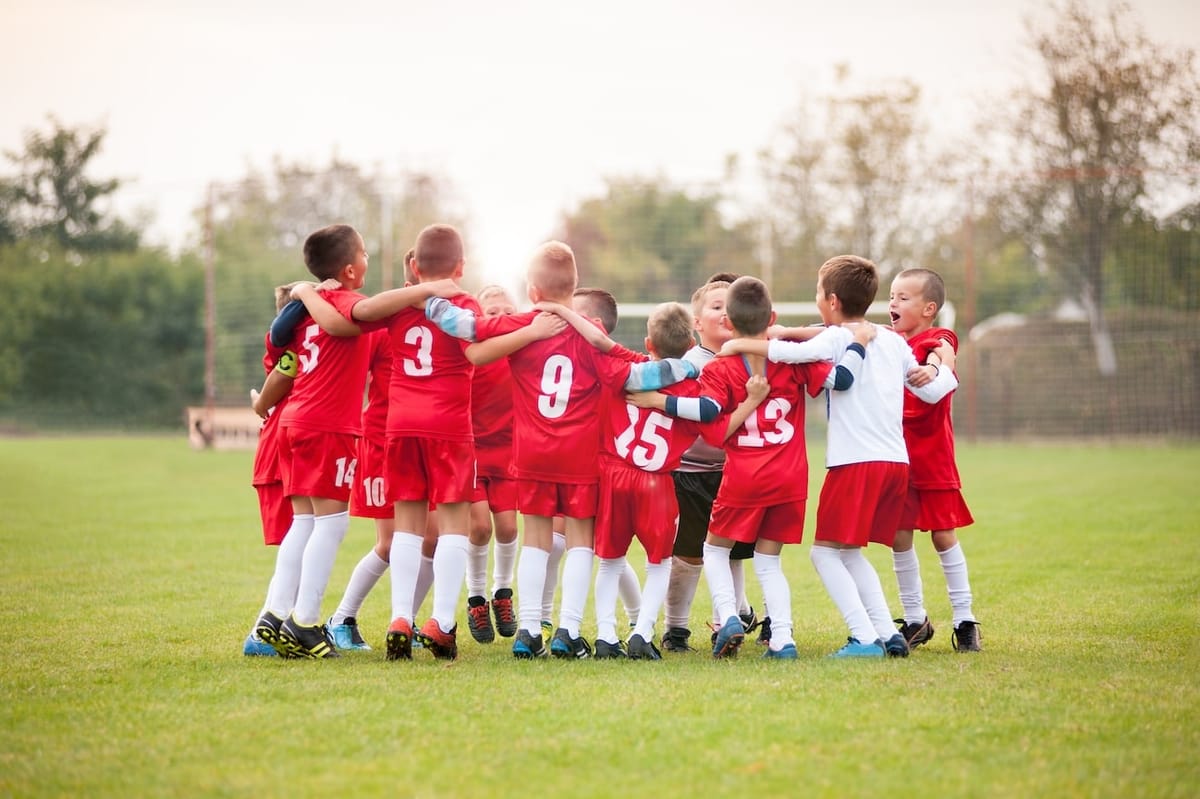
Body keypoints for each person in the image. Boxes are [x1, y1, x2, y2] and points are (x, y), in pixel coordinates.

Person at [424, 241, 698, 659]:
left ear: (532, 289)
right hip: (580, 455)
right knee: (579, 540)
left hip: (531, 451)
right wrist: (688, 366)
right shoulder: (592, 335)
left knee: (534, 538)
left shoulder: (521, 323)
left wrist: (429, 300)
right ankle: (568, 629)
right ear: (574, 288)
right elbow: (631, 376)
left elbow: (467, 327)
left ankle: (529, 631)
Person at [725, 255, 958, 658]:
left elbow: (786, 355)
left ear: (831, 300)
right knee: (849, 552)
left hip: (856, 463)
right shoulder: (893, 340)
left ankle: (863, 638)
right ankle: (889, 634)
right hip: (896, 464)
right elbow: (934, 392)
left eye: (818, 293)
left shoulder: (838, 338)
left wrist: (736, 343)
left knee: (824, 553)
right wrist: (942, 371)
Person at [253, 224, 463, 659]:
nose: (369, 259)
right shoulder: (341, 302)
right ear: (350, 269)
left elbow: (281, 351)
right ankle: (305, 622)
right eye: (365, 253)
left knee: (305, 524)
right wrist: (424, 291)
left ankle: (273, 616)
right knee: (331, 524)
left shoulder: (305, 314)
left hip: (294, 423)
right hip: (327, 426)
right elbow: (356, 316)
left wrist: (304, 295)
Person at [639, 276, 866, 659]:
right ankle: (783, 639)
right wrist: (859, 342)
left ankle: (728, 615)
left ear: (728, 321)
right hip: (792, 477)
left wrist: (656, 401)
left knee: (713, 551)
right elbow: (842, 379)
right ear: (772, 317)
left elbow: (714, 431)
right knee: (768, 560)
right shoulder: (793, 357)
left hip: (745, 475)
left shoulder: (719, 369)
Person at [660, 274, 762, 655]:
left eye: (730, 307)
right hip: (689, 472)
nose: (724, 313)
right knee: (688, 553)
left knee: (733, 551)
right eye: (715, 306)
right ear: (697, 323)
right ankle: (676, 629)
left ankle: (729, 619)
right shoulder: (689, 364)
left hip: (737, 470)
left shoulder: (751, 360)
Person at [887, 267, 981, 652]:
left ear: (929, 308)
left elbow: (946, 343)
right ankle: (914, 619)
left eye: (903, 297)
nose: (893, 303)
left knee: (943, 536)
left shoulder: (935, 338)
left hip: (933, 458)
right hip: (896, 456)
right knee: (898, 537)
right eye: (892, 296)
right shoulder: (889, 342)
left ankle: (965, 620)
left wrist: (935, 365)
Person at [464, 284, 522, 643]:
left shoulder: (522, 351)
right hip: (471, 450)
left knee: (509, 529)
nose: (500, 318)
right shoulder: (473, 354)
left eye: (507, 312)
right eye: (491, 313)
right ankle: (475, 599)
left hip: (508, 451)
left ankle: (503, 594)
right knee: (480, 528)